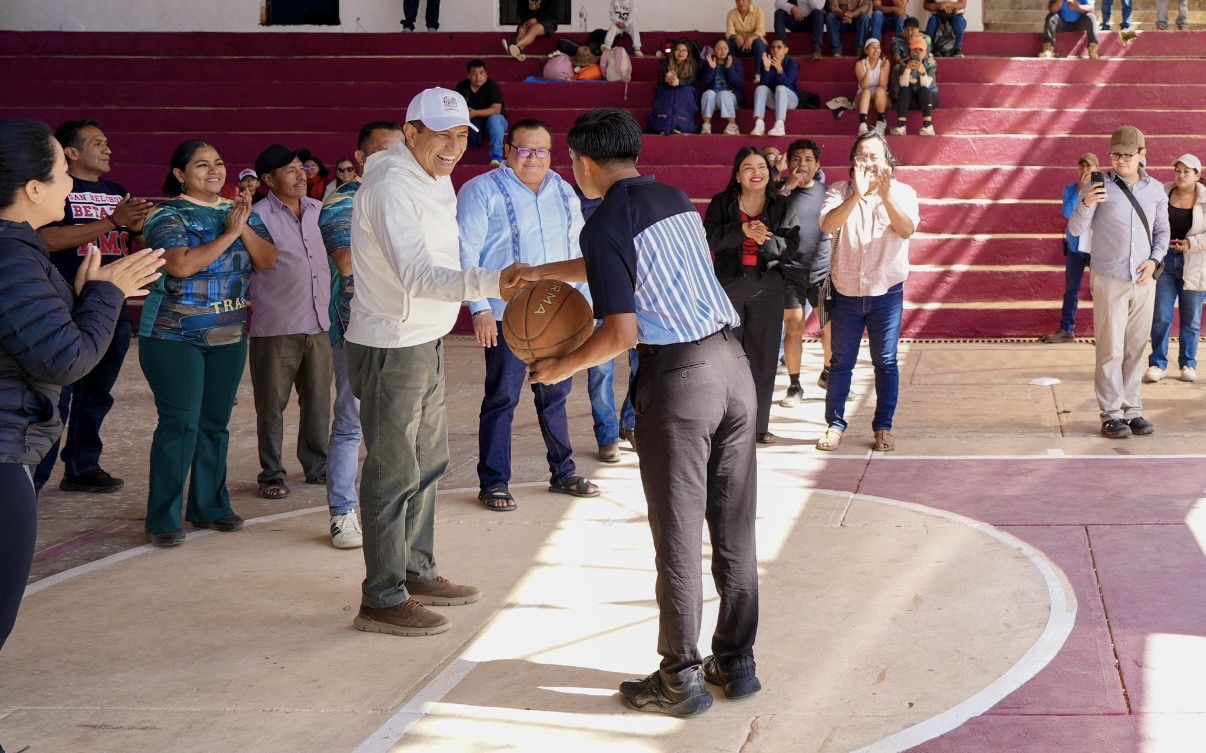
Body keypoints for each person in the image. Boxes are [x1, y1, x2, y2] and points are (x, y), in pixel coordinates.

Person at [526, 107, 759, 717]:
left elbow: (622, 330)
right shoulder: (673, 197)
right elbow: (620, 268)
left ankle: (678, 679)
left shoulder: (602, 222)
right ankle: (735, 662)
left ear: (581, 162)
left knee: (678, 533)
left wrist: (563, 364)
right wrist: (539, 275)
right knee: (732, 527)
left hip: (680, 381)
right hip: (734, 369)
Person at [344, 88, 529, 637]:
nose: (452, 147)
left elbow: (444, 260)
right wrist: (492, 283)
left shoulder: (431, 174)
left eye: (460, 136)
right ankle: (381, 597)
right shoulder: (391, 185)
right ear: (410, 132)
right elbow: (418, 276)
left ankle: (415, 571)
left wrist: (480, 285)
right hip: (391, 343)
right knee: (393, 471)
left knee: (428, 464)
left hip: (425, 336)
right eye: (441, 134)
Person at [0, 119, 163, 689]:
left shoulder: (19, 253)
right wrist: (106, 295)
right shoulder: (12, 258)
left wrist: (83, 298)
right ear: (33, 189)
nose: (72, 185)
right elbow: (65, 360)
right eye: (64, 173)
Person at [457, 119, 600, 511]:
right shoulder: (480, 190)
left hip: (559, 315)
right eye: (524, 149)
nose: (533, 158)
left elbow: (579, 252)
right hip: (507, 316)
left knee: (556, 394)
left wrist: (584, 315)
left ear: (551, 154)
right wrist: (481, 308)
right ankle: (494, 482)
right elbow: (466, 251)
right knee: (502, 397)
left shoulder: (565, 192)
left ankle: (563, 472)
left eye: (541, 150)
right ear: (507, 151)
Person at [139, 140, 277, 546]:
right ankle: (162, 518)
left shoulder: (237, 211)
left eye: (218, 163)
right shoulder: (166, 213)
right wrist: (230, 233)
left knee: (215, 424)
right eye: (201, 165)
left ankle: (209, 506)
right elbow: (180, 265)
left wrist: (243, 225)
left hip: (230, 333)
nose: (214, 170)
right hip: (172, 334)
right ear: (181, 174)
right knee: (181, 422)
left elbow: (267, 259)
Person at [32, 119, 153, 494]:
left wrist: (139, 226)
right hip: (64, 306)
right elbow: (45, 239)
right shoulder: (58, 190)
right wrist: (110, 221)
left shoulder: (117, 191)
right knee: (57, 396)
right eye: (97, 143)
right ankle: (32, 478)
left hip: (111, 306)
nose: (108, 149)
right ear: (71, 152)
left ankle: (82, 466)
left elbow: (137, 238)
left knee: (97, 393)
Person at [318, 120, 403, 549]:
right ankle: (342, 512)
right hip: (355, 329)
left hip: (406, 327)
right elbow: (347, 263)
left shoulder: (412, 198)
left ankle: (391, 510)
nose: (396, 162)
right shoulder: (340, 203)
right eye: (386, 153)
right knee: (351, 422)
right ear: (362, 160)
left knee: (400, 424)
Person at [816, 131, 920, 453]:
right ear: (853, 162)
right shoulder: (837, 190)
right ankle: (834, 425)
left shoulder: (903, 192)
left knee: (886, 361)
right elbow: (827, 226)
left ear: (887, 160)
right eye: (862, 156)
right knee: (840, 362)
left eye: (875, 156)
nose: (868, 162)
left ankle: (883, 426)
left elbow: (906, 230)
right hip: (846, 292)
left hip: (886, 293)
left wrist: (885, 196)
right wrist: (856, 196)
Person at [1068, 126, 1169, 439]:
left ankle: (1132, 409)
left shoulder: (1155, 190)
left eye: (1127, 155)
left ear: (1142, 155)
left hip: (1143, 280)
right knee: (1110, 348)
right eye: (1116, 154)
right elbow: (1074, 229)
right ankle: (1111, 413)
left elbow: (1162, 232)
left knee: (1136, 348)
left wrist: (1154, 261)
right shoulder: (1101, 186)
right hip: (1110, 277)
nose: (1121, 160)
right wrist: (1086, 203)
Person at [248, 144, 333, 500]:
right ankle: (272, 473)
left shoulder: (319, 209)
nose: (301, 176)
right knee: (271, 405)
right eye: (290, 171)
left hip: (319, 322)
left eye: (303, 168)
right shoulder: (256, 216)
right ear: (268, 180)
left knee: (317, 401)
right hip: (276, 325)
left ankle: (317, 466)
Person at [705, 147, 801, 444]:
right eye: (748, 167)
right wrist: (744, 230)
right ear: (737, 175)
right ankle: (727, 424)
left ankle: (759, 425)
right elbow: (709, 238)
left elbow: (792, 245)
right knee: (727, 357)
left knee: (762, 357)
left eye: (761, 166)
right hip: (729, 286)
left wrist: (766, 239)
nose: (756, 172)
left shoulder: (782, 206)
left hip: (767, 287)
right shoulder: (722, 203)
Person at [780, 139, 832, 406]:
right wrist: (786, 188)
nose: (802, 164)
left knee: (829, 326)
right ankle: (794, 385)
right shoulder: (780, 194)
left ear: (818, 165)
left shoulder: (828, 192)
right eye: (796, 159)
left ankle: (827, 373)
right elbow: (771, 215)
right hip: (790, 275)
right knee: (793, 327)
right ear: (788, 164)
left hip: (822, 275)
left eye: (809, 159)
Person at [1147, 154, 1206, 384]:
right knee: (1161, 315)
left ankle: (1188, 364)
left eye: (1186, 171)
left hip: (1195, 263)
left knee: (1191, 319)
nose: (1181, 175)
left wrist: (1191, 244)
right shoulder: (1162, 193)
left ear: (1197, 175)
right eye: (1178, 170)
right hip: (1166, 261)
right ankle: (1157, 363)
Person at [1039, 153, 1099, 343]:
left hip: (1098, 248)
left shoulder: (1102, 190)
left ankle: (1104, 333)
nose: (1085, 170)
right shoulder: (1070, 189)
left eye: (1089, 167)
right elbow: (1067, 212)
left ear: (1097, 169)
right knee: (1071, 289)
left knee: (1101, 291)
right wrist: (1080, 191)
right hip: (1075, 247)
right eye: (1082, 166)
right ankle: (1067, 329)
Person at [455, 59, 508, 166]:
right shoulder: (462, 87)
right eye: (474, 73)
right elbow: (455, 107)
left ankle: (496, 156)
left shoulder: (492, 86)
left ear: (486, 74)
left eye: (481, 73)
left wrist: (474, 113)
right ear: (468, 75)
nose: (478, 77)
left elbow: (496, 109)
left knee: (495, 119)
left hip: (494, 121)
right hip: (473, 121)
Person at [750, 36, 801, 137]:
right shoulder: (766, 61)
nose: (775, 50)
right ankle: (759, 124)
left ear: (786, 50)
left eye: (779, 47)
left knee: (781, 88)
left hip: (791, 100)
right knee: (760, 88)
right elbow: (764, 86)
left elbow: (787, 83)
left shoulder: (792, 64)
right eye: (773, 47)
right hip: (774, 100)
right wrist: (767, 68)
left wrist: (779, 69)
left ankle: (780, 125)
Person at [890, 34, 939, 136]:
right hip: (913, 99)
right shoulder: (904, 64)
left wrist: (923, 72)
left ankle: (928, 126)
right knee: (904, 89)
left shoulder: (931, 64)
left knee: (923, 89)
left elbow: (926, 84)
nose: (917, 52)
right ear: (910, 51)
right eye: (914, 49)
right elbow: (903, 83)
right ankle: (901, 125)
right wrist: (908, 69)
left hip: (929, 97)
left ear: (926, 52)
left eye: (920, 50)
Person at [648, 40, 700, 135]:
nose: (681, 53)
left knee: (683, 95)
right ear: (673, 51)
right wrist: (668, 79)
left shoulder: (693, 63)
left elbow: (691, 79)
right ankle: (663, 126)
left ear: (688, 53)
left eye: (684, 50)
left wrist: (679, 82)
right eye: (678, 50)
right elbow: (662, 77)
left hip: (686, 88)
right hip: (667, 87)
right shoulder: (667, 61)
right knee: (667, 95)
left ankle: (681, 126)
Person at [699, 39, 745, 136]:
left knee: (723, 93)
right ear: (714, 50)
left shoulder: (734, 61)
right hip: (713, 100)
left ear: (728, 50)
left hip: (730, 98)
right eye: (719, 49)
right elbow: (704, 84)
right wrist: (711, 69)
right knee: (708, 93)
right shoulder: (708, 62)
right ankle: (706, 125)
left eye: (725, 48)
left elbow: (739, 83)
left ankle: (732, 125)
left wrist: (729, 69)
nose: (722, 51)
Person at [855, 38, 890, 135]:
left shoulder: (885, 62)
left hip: (880, 98)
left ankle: (881, 122)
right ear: (866, 50)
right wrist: (868, 70)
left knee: (879, 90)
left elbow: (883, 85)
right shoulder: (860, 64)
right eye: (873, 47)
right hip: (864, 98)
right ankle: (862, 125)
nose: (876, 50)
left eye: (878, 47)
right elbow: (864, 85)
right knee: (866, 91)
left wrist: (882, 69)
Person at [727, 0, 769, 76]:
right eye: (738, 0)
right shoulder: (731, 14)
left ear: (750, 1)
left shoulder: (758, 12)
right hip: (740, 45)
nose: (740, 3)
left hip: (756, 45)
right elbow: (730, 33)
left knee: (758, 43)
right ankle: (731, 72)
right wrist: (736, 36)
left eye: (743, 0)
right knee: (729, 43)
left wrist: (750, 39)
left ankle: (758, 74)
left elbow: (760, 31)